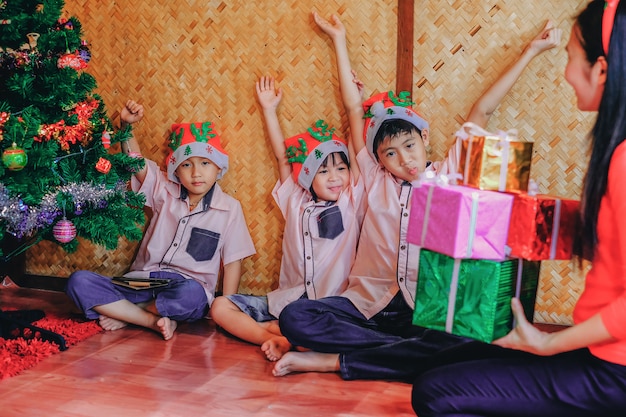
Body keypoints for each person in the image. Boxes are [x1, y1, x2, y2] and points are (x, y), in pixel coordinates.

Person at [272, 11, 562, 379]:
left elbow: (483, 109)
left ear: (424, 138)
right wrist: (339, 40)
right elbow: (351, 109)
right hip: (368, 308)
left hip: (425, 312)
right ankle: (406, 357)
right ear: (378, 158)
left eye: (409, 145)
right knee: (296, 317)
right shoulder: (375, 179)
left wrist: (531, 51)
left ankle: (340, 360)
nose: (404, 159)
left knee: (479, 336)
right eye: (390, 153)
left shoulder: (447, 175)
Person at [412, 1, 626, 415]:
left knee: (436, 395)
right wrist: (500, 211)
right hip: (599, 352)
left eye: (570, 57)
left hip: (614, 374)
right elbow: (602, 235)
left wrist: (547, 343)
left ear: (601, 70)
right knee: (446, 360)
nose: (566, 73)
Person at [66, 100, 256, 341]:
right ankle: (149, 320)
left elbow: (232, 264)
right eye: (187, 165)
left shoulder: (229, 209)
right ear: (176, 170)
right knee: (78, 282)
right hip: (140, 284)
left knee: (192, 295)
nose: (196, 173)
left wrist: (228, 311)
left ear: (219, 168)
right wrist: (126, 125)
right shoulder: (164, 188)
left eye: (205, 163)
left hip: (185, 289)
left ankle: (126, 314)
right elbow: (135, 163)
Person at [209, 76, 366, 361]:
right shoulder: (295, 200)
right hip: (286, 302)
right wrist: (269, 109)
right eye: (323, 171)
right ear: (307, 177)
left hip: (328, 307)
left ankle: (290, 337)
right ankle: (277, 337)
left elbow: (357, 153)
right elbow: (283, 159)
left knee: (324, 331)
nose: (335, 178)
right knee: (220, 307)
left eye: (340, 168)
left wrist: (355, 105)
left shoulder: (351, 201)